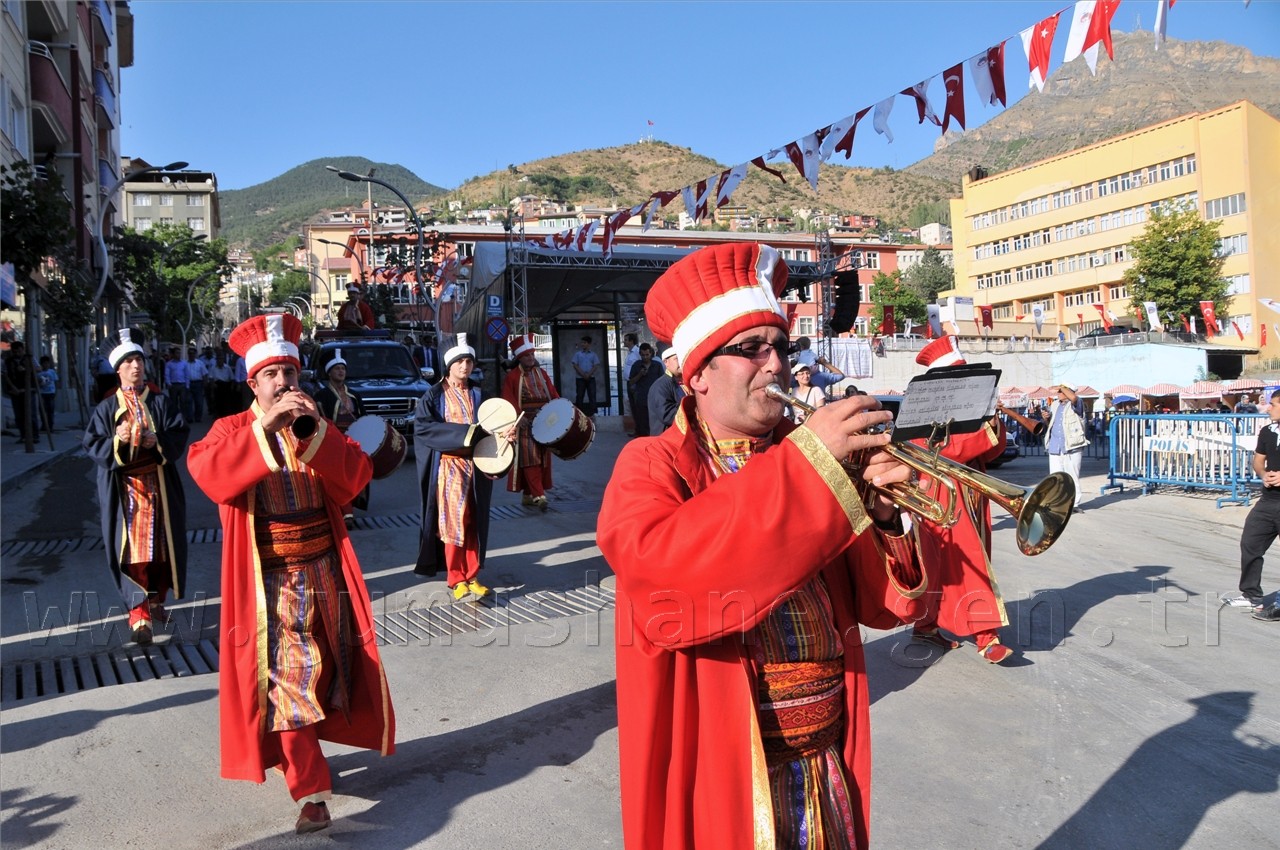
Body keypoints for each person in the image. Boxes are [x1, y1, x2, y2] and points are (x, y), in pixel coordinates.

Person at [597, 242, 927, 849]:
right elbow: (666, 581)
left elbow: (885, 610)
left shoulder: (804, 458)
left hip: (823, 760)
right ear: (694, 373)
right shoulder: (649, 463)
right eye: (750, 349)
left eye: (781, 346)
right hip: (730, 764)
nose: (775, 364)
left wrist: (884, 518)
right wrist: (809, 467)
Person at [186, 314, 395, 835]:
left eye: (291, 373)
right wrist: (265, 429)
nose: (284, 383)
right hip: (269, 585)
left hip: (325, 571)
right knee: (291, 678)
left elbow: (355, 480)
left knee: (328, 672)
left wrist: (318, 434)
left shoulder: (315, 421)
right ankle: (312, 790)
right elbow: (209, 473)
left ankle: (297, 753)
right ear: (252, 383)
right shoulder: (231, 430)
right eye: (273, 374)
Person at [907, 336, 1014, 663]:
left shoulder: (967, 411)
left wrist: (994, 421)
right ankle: (985, 636)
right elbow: (947, 450)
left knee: (959, 564)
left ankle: (929, 626)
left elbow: (992, 452)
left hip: (970, 496)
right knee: (956, 566)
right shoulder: (921, 413)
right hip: (940, 496)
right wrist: (984, 432)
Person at [82, 329, 189, 646]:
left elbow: (178, 434)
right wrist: (119, 440)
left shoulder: (160, 403)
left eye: (139, 359)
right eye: (128, 361)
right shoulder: (105, 409)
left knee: (162, 550)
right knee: (132, 552)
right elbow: (93, 445)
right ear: (118, 369)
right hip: (125, 492)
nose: (136, 366)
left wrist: (160, 441)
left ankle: (157, 601)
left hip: (160, 489)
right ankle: (138, 613)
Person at [414, 333, 509, 601]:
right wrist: (464, 434)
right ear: (449, 365)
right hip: (449, 467)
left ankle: (473, 575)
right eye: (460, 362)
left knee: (473, 522)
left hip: (476, 467)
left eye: (469, 361)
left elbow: (494, 425)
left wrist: (506, 433)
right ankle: (456, 577)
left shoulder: (481, 394)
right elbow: (424, 428)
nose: (465, 366)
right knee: (453, 523)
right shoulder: (433, 396)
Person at [1225, 394, 1280, 617]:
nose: (1267, 409)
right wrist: (1263, 474)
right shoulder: (1268, 431)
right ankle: (1251, 595)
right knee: (1250, 543)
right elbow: (1258, 460)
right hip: (1269, 500)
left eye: (1273, 405)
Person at [502, 333, 559, 510]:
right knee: (530, 458)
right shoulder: (512, 377)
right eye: (527, 355)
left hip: (544, 422)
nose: (531, 358)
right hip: (525, 423)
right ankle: (538, 495)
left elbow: (552, 393)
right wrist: (518, 417)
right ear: (520, 357)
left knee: (542, 458)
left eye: (532, 355)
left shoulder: (542, 373)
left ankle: (528, 494)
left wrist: (560, 410)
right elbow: (508, 399)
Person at [313, 349, 367, 522]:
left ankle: (349, 506)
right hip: (334, 439)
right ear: (329, 372)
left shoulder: (355, 395)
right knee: (338, 475)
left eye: (343, 368)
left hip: (353, 440)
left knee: (353, 473)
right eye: (336, 368)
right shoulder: (322, 396)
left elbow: (363, 418)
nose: (341, 371)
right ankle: (345, 511)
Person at [1043, 383, 1087, 513]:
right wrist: (1046, 418)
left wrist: (1062, 387)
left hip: (1072, 445)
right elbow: (1052, 424)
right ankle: (1057, 503)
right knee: (1056, 478)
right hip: (1055, 445)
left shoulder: (1077, 403)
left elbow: (1074, 399)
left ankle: (1074, 503)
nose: (1058, 393)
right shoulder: (1055, 405)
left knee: (1072, 476)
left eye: (1061, 391)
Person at [626, 343, 664, 437]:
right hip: (641, 398)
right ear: (640, 354)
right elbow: (631, 381)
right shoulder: (636, 365)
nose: (645, 357)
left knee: (655, 421)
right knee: (642, 421)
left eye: (647, 355)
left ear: (651, 353)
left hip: (655, 398)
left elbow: (662, 381)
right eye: (643, 355)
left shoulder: (657, 365)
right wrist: (640, 375)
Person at [646, 345, 684, 433]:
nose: (681, 362)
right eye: (677, 358)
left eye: (682, 357)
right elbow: (667, 415)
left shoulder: (684, 381)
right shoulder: (660, 386)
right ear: (666, 362)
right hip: (666, 438)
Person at [3, 340, 33, 442]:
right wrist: (12, 387)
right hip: (15, 391)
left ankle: (33, 436)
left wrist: (25, 370)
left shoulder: (28, 358)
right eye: (15, 352)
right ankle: (23, 436)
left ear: (23, 350)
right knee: (19, 415)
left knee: (30, 414)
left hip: (28, 390)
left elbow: (38, 369)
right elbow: (6, 375)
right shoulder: (8, 361)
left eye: (19, 351)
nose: (17, 354)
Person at [571, 334, 600, 416]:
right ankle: (578, 413)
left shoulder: (593, 354)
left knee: (592, 395)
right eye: (582, 342)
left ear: (589, 344)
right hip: (580, 378)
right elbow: (575, 365)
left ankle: (593, 412)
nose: (582, 344)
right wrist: (583, 374)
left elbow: (596, 365)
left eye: (584, 343)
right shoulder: (578, 354)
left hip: (591, 378)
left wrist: (589, 374)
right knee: (580, 395)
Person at [163, 347, 191, 423]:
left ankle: (184, 418)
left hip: (182, 385)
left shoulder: (184, 363)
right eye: (177, 353)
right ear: (173, 354)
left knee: (183, 402)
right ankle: (174, 419)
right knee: (173, 403)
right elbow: (167, 375)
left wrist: (187, 385)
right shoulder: (169, 364)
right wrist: (169, 384)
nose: (178, 354)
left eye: (179, 353)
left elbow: (187, 375)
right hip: (173, 385)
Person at [36, 355, 58, 434]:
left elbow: (55, 381)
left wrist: (55, 391)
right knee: (42, 410)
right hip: (42, 393)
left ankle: (50, 426)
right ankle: (44, 425)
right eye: (44, 363)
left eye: (47, 363)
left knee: (50, 410)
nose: (46, 365)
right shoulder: (39, 373)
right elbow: (37, 383)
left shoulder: (52, 371)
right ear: (41, 364)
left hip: (51, 393)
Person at [186, 348, 207, 423]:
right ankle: (190, 418)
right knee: (189, 402)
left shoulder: (200, 363)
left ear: (195, 354)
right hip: (188, 384)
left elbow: (204, 374)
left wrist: (205, 384)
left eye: (192, 353)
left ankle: (198, 417)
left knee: (199, 402)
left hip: (198, 384)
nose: (191, 355)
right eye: (190, 353)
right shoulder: (185, 364)